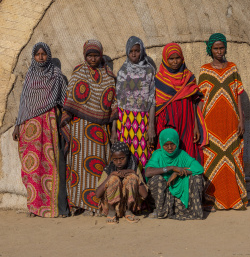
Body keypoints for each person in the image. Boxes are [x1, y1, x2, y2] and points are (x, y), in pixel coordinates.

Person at [61, 39, 118, 215]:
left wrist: (114, 130)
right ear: (84, 55)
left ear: (101, 55)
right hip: (79, 129)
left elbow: (114, 104)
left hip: (100, 131)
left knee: (98, 167)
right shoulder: (78, 72)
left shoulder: (108, 75)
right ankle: (78, 203)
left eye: (96, 55)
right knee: (78, 167)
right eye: (89, 55)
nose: (92, 59)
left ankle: (96, 204)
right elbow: (70, 98)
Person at [12, 42, 69, 218]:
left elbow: (64, 99)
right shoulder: (29, 75)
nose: (41, 57)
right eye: (38, 54)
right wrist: (17, 124)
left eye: (44, 54)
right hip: (30, 127)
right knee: (32, 168)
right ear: (34, 56)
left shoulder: (56, 74)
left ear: (49, 55)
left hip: (50, 123)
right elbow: (24, 103)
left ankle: (53, 207)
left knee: (50, 164)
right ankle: (34, 207)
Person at [198, 33, 248, 211]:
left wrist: (241, 120)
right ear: (210, 50)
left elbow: (239, 96)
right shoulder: (205, 70)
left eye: (221, 47)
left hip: (230, 121)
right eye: (215, 48)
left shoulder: (233, 68)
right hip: (211, 123)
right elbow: (201, 99)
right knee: (212, 159)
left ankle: (234, 198)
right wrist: (200, 124)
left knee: (232, 157)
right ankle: (213, 199)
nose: (219, 51)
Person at [154, 42, 207, 163]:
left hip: (187, 121)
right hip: (167, 122)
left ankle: (187, 179)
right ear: (165, 60)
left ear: (182, 58)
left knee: (187, 149)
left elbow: (194, 102)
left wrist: (195, 126)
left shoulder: (189, 77)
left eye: (177, 58)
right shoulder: (159, 79)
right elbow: (156, 106)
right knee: (167, 150)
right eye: (171, 59)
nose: (175, 62)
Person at [145, 128, 204, 220]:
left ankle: (193, 211)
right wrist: (171, 168)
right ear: (161, 144)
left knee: (197, 177)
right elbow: (148, 172)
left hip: (178, 195)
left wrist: (178, 173)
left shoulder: (181, 154)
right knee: (156, 179)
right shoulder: (158, 155)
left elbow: (199, 168)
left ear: (177, 143)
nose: (169, 148)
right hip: (163, 194)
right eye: (166, 145)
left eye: (172, 144)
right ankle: (161, 211)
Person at [115, 36, 156, 169]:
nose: (134, 54)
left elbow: (152, 99)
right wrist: (115, 129)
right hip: (125, 120)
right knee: (125, 155)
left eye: (137, 50)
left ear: (142, 51)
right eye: (131, 50)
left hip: (142, 119)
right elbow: (117, 102)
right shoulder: (123, 71)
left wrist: (151, 126)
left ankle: (143, 187)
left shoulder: (149, 71)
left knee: (143, 154)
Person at [95, 142, 148, 224]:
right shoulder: (109, 169)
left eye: (122, 158)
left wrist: (133, 173)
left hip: (129, 206)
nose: (119, 162)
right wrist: (110, 176)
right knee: (113, 179)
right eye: (115, 159)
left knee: (132, 178)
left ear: (127, 156)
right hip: (110, 207)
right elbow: (98, 194)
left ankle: (128, 211)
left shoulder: (133, 167)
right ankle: (112, 212)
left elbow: (144, 194)